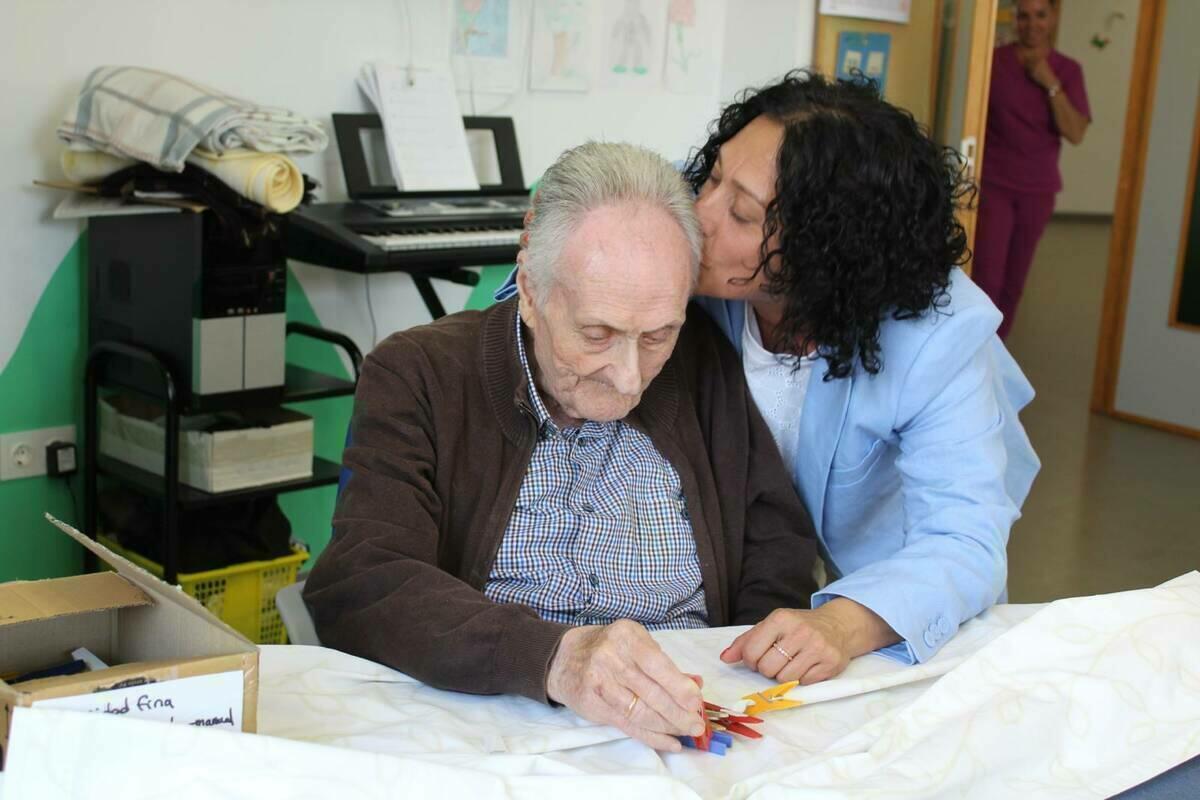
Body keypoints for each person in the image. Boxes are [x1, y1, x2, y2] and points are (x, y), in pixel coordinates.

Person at [304, 141, 818, 753]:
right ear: (528, 287)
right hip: (493, 726)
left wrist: (742, 664)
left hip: (687, 721)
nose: (629, 378)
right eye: (597, 334)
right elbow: (365, 580)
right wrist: (555, 658)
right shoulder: (419, 374)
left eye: (658, 336)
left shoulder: (701, 360)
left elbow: (774, 542)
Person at [673, 70, 1042, 685]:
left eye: (739, 212)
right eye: (711, 178)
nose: (697, 216)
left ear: (825, 249)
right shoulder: (709, 263)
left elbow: (965, 539)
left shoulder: (933, 337)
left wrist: (840, 626)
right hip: (758, 567)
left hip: (894, 582)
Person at [973, 0, 1090, 339]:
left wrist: (1049, 83)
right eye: (1023, 16)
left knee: (1013, 282)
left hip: (1037, 190)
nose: (1031, 24)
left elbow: (1076, 132)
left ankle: (995, 353)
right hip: (995, 184)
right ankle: (972, 350)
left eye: (1040, 15)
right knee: (987, 278)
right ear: (1014, 19)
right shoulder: (994, 62)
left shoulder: (1068, 70)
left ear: (1052, 17)